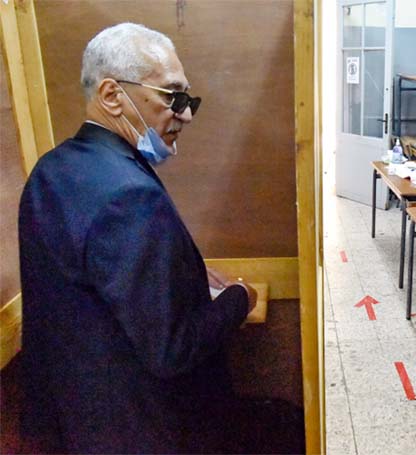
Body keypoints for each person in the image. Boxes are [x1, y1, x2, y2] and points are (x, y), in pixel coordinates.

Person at [18, 23, 258, 453]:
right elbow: (173, 350)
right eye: (173, 97)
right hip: (142, 430)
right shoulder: (128, 193)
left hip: (75, 422)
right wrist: (239, 297)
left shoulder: (51, 169)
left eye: (189, 100)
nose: (186, 114)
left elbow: (93, 285)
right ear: (112, 95)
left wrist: (189, 273)